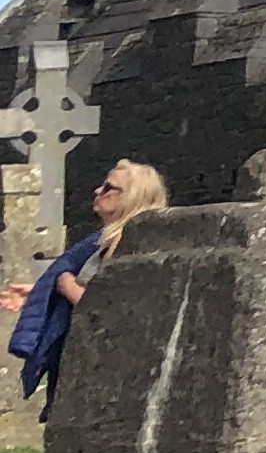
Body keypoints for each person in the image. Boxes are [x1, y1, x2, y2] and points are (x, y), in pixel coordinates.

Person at [3, 158, 169, 417]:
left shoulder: (124, 241)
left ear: (132, 197)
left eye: (108, 188)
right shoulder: (105, 240)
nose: (97, 191)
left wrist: (63, 283)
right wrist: (39, 294)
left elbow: (107, 307)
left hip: (99, 364)